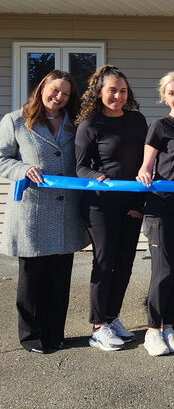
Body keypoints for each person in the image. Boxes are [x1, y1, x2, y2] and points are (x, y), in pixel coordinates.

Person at [0, 70, 88, 354]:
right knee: (33, 278)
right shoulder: (15, 121)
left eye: (64, 93)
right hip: (33, 210)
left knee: (60, 277)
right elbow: (2, 158)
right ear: (41, 89)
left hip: (66, 210)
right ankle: (32, 337)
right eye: (54, 90)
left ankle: (55, 334)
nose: (58, 96)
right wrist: (23, 169)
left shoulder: (75, 124)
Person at [75, 65, 147, 351]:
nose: (118, 95)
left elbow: (144, 162)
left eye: (122, 91)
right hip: (100, 205)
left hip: (131, 203)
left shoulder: (137, 120)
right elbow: (79, 167)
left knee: (125, 263)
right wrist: (97, 177)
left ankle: (112, 316)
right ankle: (97, 326)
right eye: (112, 90)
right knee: (105, 263)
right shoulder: (90, 124)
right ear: (99, 93)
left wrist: (138, 202)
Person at [135, 71, 174, 356]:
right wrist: (143, 173)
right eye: (172, 93)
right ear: (164, 97)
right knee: (162, 270)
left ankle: (170, 324)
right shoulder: (160, 126)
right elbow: (146, 166)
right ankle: (152, 330)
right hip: (161, 207)